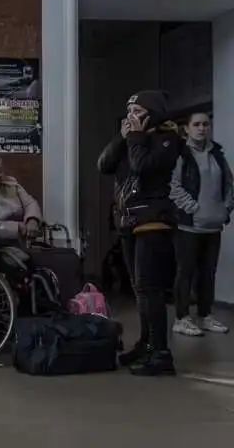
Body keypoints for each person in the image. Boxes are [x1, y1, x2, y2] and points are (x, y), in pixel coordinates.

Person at [97, 90, 183, 376]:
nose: (131, 117)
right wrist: (122, 138)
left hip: (153, 220)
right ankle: (146, 344)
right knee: (138, 290)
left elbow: (143, 166)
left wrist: (135, 138)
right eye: (128, 111)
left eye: (137, 112)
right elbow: (105, 164)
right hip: (128, 221)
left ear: (153, 114)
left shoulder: (168, 139)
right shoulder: (131, 139)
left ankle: (161, 353)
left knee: (150, 289)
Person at [169, 112, 234, 337]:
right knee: (185, 273)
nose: (202, 128)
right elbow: (173, 186)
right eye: (196, 124)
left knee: (208, 273)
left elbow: (228, 183)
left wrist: (225, 208)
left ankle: (205, 316)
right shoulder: (182, 155)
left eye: (205, 124)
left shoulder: (217, 153)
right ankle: (181, 318)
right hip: (188, 227)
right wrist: (193, 208)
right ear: (186, 129)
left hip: (213, 226)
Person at [0, 147, 43, 241]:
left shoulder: (11, 183)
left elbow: (30, 203)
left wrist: (32, 220)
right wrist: (17, 228)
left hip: (20, 240)